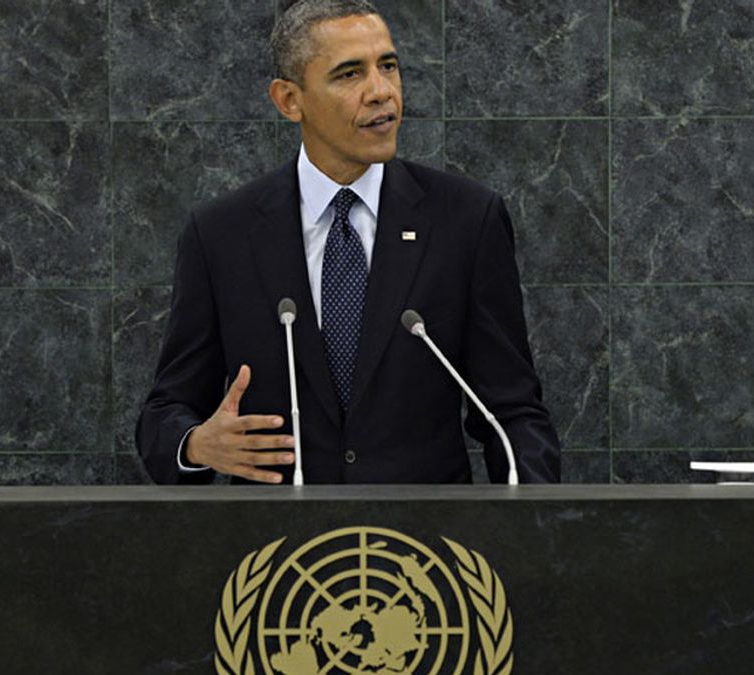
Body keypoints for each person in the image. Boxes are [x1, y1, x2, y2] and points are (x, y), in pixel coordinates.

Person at [135, 0, 560, 485]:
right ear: (289, 100)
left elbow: (512, 411)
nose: (381, 92)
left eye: (389, 66)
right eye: (349, 74)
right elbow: (165, 411)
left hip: (424, 549)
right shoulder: (221, 234)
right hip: (282, 550)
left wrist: (534, 532)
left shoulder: (465, 219)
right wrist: (195, 445)